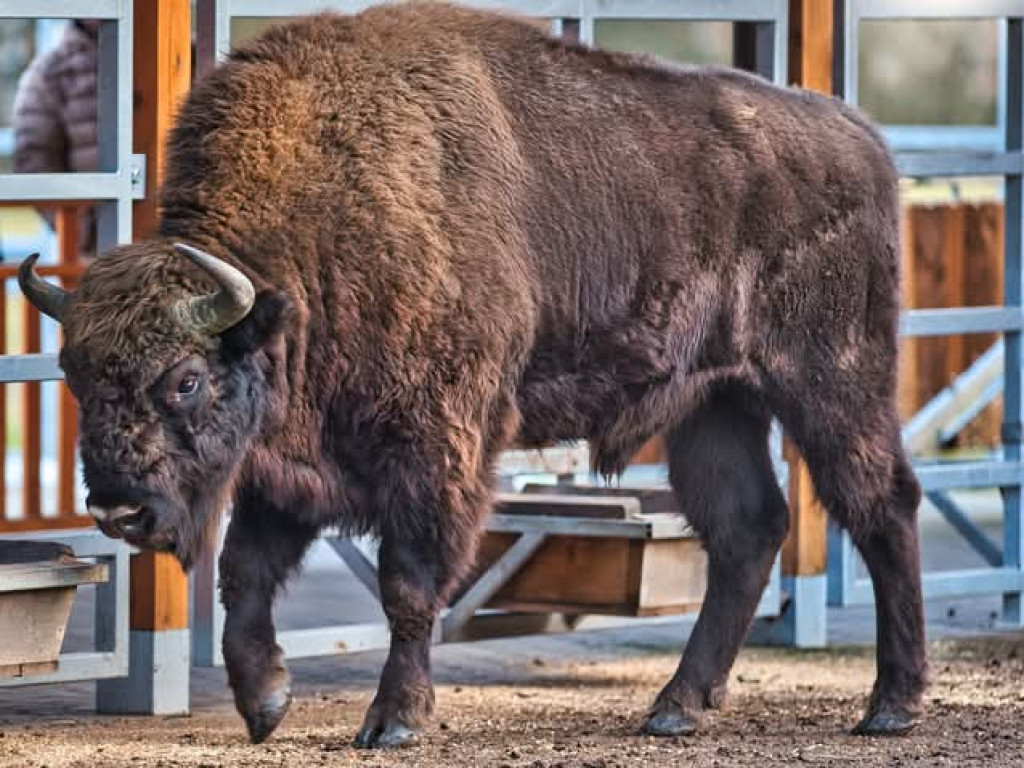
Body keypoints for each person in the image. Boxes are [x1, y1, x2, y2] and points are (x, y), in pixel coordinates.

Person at [12, 19, 100, 258]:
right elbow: (34, 160)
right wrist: (84, 232)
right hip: (96, 250)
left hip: (176, 236)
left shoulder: (185, 53)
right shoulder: (51, 72)